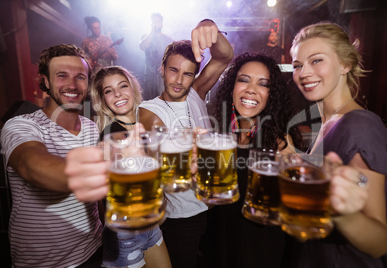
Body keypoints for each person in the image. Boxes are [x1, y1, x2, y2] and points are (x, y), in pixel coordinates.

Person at [284, 21, 387, 267]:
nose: (304, 73)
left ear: (345, 64)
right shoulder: (327, 122)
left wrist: (344, 216)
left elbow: (380, 240)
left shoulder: (360, 125)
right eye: (298, 65)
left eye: (316, 60)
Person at [137, 19, 234, 268]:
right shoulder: (148, 109)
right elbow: (157, 136)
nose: (179, 80)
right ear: (162, 68)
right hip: (183, 216)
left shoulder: (196, 91)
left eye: (188, 73)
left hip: (215, 205)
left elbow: (224, 57)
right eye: (173, 70)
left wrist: (208, 26)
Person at [0, 44, 103, 267]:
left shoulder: (93, 128)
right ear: (46, 81)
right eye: (62, 76)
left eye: (80, 77)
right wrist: (112, 169)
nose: (72, 85)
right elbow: (31, 165)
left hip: (94, 249)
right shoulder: (21, 125)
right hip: (42, 262)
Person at [206, 52, 302, 267]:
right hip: (223, 242)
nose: (251, 89)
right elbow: (213, 203)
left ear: (271, 95)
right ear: (232, 88)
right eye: (244, 80)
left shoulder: (279, 140)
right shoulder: (222, 136)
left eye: (263, 84)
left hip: (260, 247)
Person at [90, 66, 171, 268]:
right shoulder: (111, 134)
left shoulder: (143, 126)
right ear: (103, 100)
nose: (117, 93)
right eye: (108, 91)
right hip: (125, 234)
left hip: (151, 228)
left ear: (132, 88)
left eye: (122, 86)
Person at [139, 13, 173, 100]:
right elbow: (142, 47)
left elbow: (173, 57)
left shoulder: (167, 39)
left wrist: (165, 64)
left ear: (161, 24)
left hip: (162, 75)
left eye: (157, 21)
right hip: (149, 74)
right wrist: (151, 32)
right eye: (154, 21)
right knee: (149, 99)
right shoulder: (146, 37)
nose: (155, 24)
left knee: (162, 98)